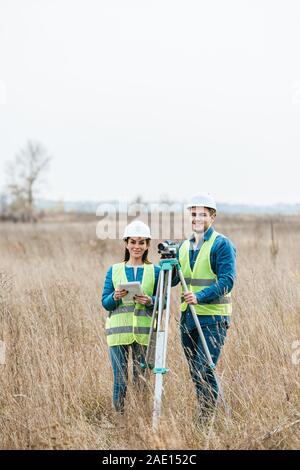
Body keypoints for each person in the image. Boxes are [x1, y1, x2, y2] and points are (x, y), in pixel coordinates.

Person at [172, 193, 236, 417]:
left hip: (213, 318)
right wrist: (165, 266)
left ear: (213, 217)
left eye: (202, 214)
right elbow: (174, 280)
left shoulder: (221, 244)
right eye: (193, 214)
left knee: (204, 367)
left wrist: (201, 296)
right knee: (194, 371)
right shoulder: (183, 246)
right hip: (188, 319)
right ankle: (205, 412)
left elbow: (227, 281)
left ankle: (207, 419)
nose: (196, 218)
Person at [102, 220, 160, 414]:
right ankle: (120, 418)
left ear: (148, 245)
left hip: (143, 334)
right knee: (120, 379)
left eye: (142, 242)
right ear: (126, 243)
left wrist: (149, 300)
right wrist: (115, 297)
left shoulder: (156, 271)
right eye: (133, 242)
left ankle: (141, 417)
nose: (137, 246)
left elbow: (164, 301)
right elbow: (105, 302)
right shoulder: (114, 270)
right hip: (118, 334)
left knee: (141, 379)